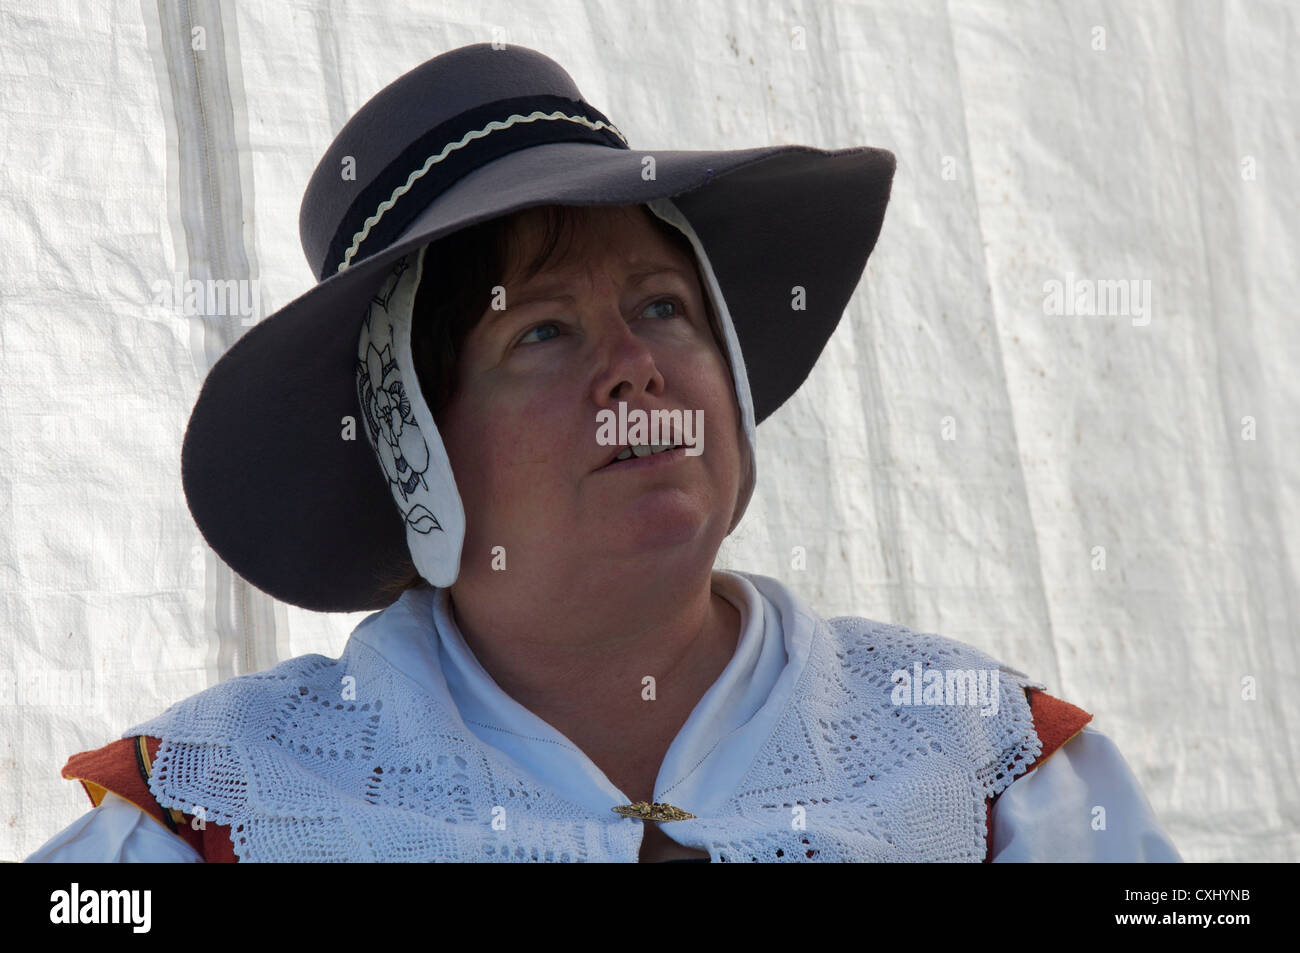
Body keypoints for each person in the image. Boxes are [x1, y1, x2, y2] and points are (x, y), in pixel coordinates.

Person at [26, 43, 1180, 863]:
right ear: (415, 444)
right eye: (542, 330)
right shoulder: (212, 815)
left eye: (666, 307)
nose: (636, 367)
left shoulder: (991, 767)